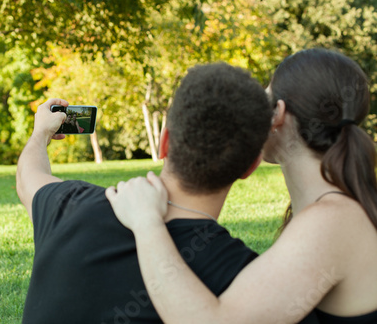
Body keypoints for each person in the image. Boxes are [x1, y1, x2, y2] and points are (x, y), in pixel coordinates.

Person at [16, 63, 311, 323]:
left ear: (164, 141)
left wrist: (40, 133)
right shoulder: (243, 278)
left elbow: (28, 177)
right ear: (250, 167)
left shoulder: (69, 205)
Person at [106, 48, 377, 323]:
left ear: (278, 114)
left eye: (265, 100)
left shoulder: (332, 221)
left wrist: (146, 223)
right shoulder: (333, 210)